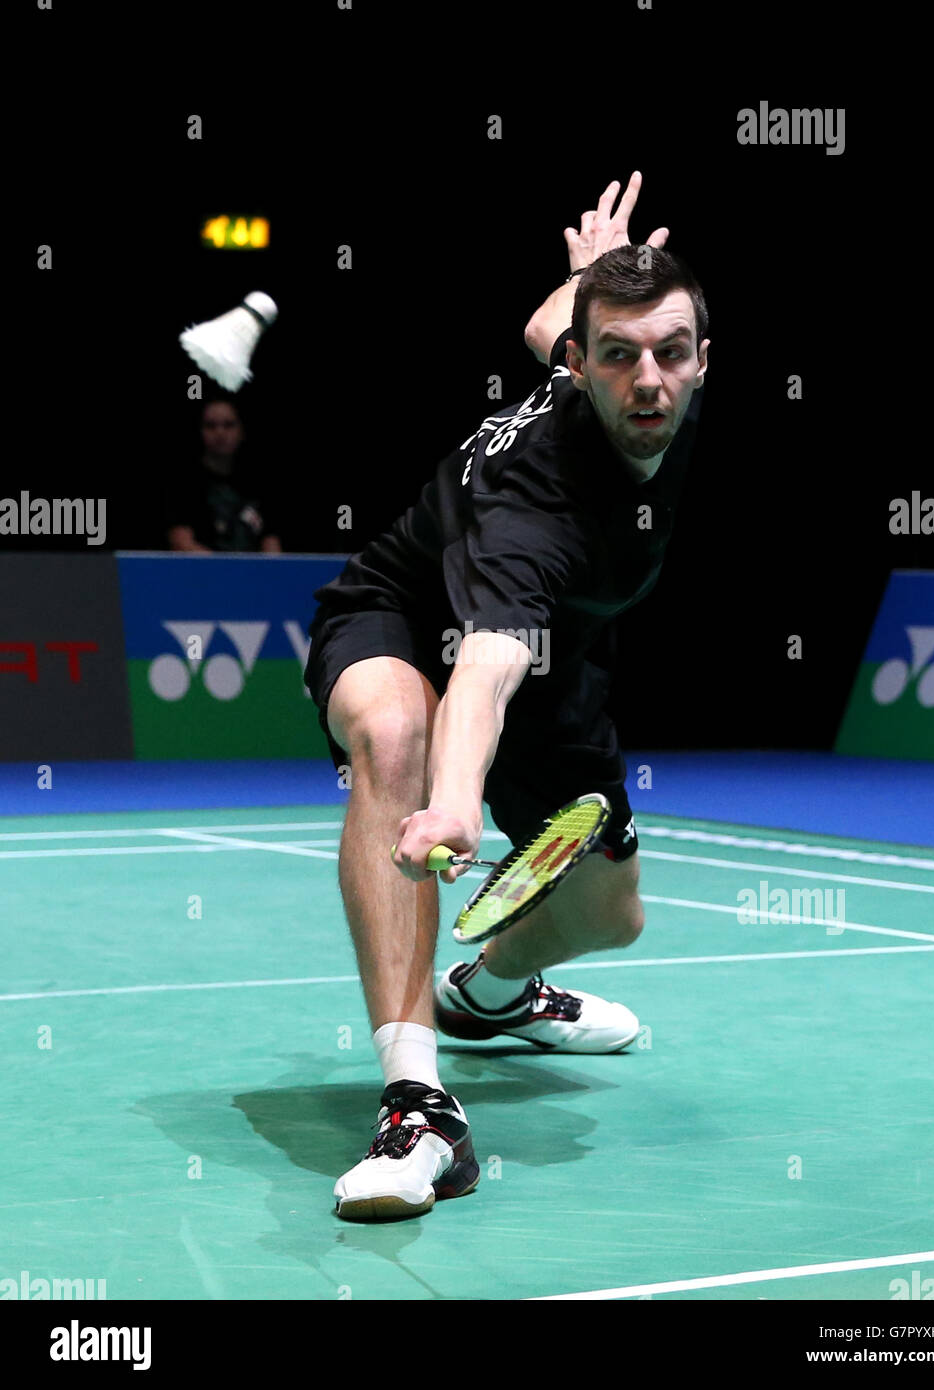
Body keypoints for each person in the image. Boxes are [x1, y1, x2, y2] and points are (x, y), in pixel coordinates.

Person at [304, 172, 710, 1221]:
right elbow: (481, 665)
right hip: (403, 607)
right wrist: (448, 802)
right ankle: (418, 1109)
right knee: (397, 734)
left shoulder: (628, 373)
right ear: (585, 368)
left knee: (612, 914)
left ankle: (489, 993)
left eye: (670, 350)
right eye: (617, 355)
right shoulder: (540, 507)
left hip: (558, 658)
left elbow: (545, 323)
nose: (649, 380)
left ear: (702, 357)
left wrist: (582, 277)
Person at [165, 398, 283, 553]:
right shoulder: (184, 483)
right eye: (210, 426)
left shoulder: (259, 483)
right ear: (200, 432)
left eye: (228, 425)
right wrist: (227, 572)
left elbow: (271, 544)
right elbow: (181, 543)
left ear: (241, 431)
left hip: (252, 574)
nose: (220, 433)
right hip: (203, 574)